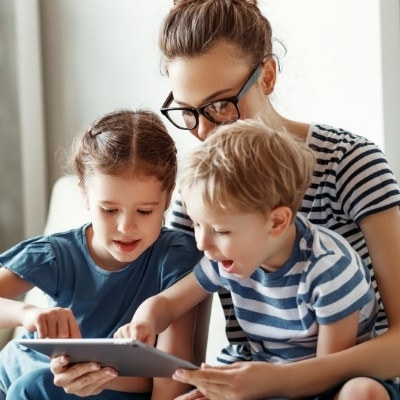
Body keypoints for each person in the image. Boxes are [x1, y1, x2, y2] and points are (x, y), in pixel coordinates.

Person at [49, 0, 400, 398]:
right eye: (187, 111)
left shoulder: (349, 163)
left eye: (220, 105)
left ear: (266, 76)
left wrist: (277, 381)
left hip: (350, 381)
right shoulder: (196, 194)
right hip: (245, 378)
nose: (203, 131)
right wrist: (97, 373)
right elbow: (181, 354)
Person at [115, 119, 390, 400]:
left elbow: (327, 375)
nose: (202, 243)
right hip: (261, 376)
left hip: (323, 382)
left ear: (277, 222)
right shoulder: (225, 258)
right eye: (198, 224)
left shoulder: (329, 270)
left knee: (362, 392)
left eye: (221, 230)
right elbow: (168, 302)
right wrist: (144, 322)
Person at [0, 109, 204, 400]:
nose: (126, 227)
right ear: (84, 194)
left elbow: (173, 372)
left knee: (35, 386)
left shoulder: (174, 260)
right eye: (109, 210)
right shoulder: (57, 253)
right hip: (12, 375)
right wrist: (26, 314)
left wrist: (100, 376)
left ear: (168, 197)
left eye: (145, 211)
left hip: (67, 389)